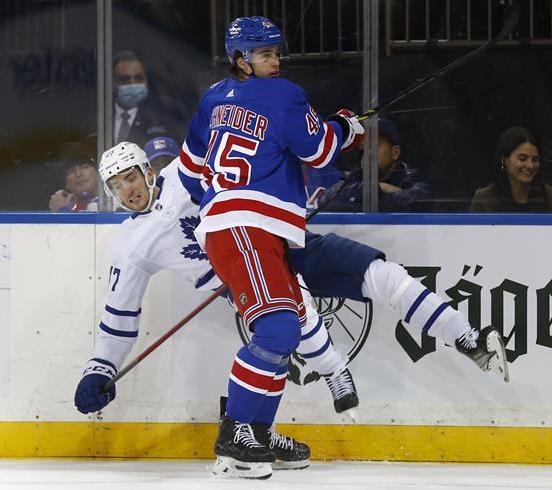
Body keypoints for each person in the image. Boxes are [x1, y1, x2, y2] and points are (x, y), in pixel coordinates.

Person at [176, 16, 508, 480]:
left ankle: (258, 433)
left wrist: (222, 203)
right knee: (278, 330)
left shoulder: (212, 98)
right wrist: (348, 129)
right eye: (265, 54)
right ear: (241, 59)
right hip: (249, 229)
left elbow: (189, 171)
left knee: (294, 323)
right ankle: (235, 437)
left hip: (265, 232)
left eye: (277, 52)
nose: (276, 60)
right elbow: (319, 149)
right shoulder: (285, 94)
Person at [74, 142, 359, 474]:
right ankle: (254, 435)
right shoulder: (130, 243)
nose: (127, 190)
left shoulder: (183, 173)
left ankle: (328, 375)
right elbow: (118, 317)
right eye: (116, 186)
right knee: (280, 338)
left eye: (130, 178)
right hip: (232, 286)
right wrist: (99, 369)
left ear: (148, 171)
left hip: (256, 251)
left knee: (300, 320)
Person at [317, 118, 432, 212]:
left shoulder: (410, 177)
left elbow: (420, 202)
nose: (368, 153)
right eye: (364, 148)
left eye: (374, 147)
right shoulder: (355, 176)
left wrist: (369, 195)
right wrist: (377, 188)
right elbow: (324, 201)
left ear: (395, 152)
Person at [471, 126, 552, 212]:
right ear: (504, 160)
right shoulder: (484, 199)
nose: (530, 165)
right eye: (522, 159)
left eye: (535, 159)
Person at [113, 51, 175, 146]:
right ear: (113, 83)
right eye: (125, 79)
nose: (133, 84)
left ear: (146, 80)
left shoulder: (163, 115)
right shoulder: (99, 114)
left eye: (139, 78)